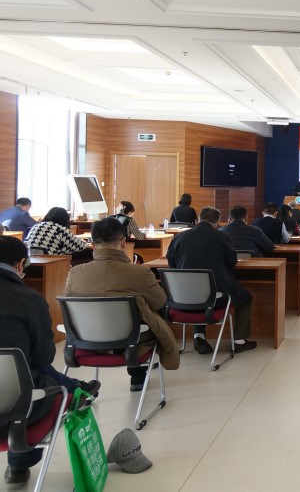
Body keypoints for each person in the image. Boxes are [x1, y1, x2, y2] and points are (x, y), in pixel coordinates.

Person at [0, 236, 99, 485]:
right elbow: (43, 357)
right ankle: (18, 463)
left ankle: (76, 387)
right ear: (20, 264)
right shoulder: (29, 300)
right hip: (13, 404)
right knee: (31, 375)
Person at [64, 218, 180, 390]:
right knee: (149, 318)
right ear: (124, 242)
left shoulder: (75, 273)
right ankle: (137, 375)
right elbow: (160, 302)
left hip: (86, 339)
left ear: (93, 245)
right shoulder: (140, 272)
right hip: (132, 342)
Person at [166, 206, 256, 354]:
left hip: (182, 295)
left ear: (198, 219)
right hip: (215, 295)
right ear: (217, 222)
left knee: (199, 296)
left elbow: (172, 262)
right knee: (245, 299)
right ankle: (239, 341)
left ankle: (199, 336)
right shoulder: (222, 237)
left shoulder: (180, 237)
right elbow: (231, 262)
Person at [24, 207, 91, 259]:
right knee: (88, 253)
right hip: (53, 262)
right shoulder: (61, 229)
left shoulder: (36, 226)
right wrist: (85, 241)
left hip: (32, 262)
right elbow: (80, 245)